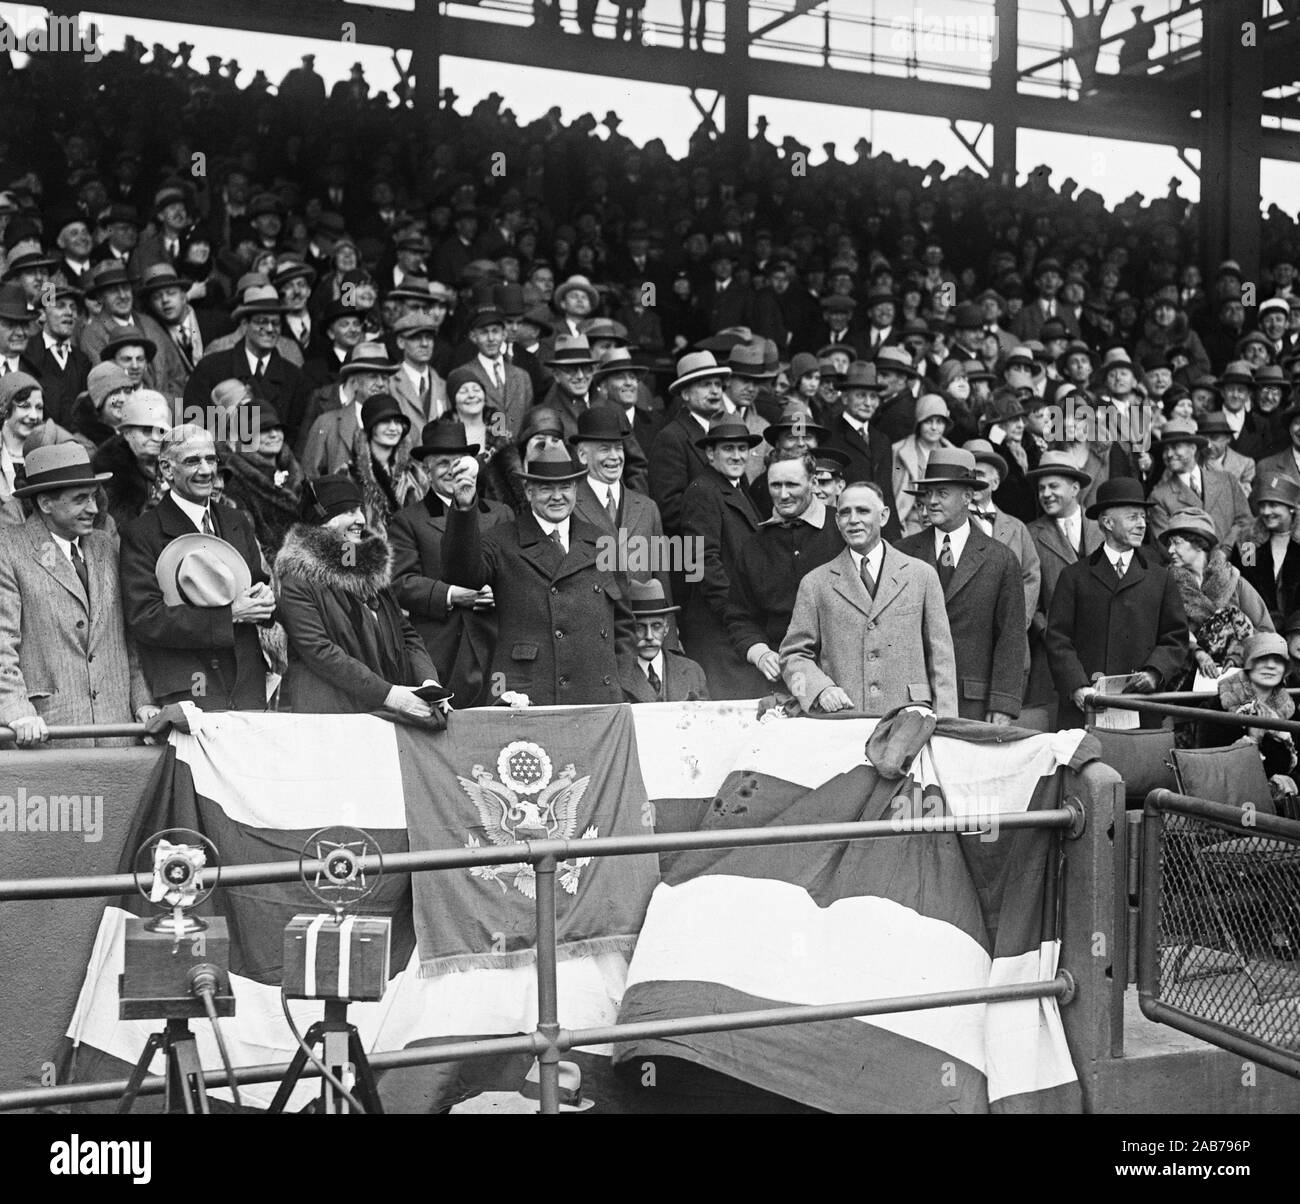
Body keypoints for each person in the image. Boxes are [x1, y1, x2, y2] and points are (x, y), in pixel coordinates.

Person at [442, 444, 637, 705]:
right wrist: (464, 508)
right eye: (546, 488)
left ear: (576, 490)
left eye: (565, 487)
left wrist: (620, 682)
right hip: (530, 696)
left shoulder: (602, 541)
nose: (557, 496)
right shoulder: (502, 541)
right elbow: (461, 573)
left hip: (598, 695)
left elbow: (623, 623)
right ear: (529, 491)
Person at [0, 443, 157, 748]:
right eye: (80, 499)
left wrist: (142, 702)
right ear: (45, 502)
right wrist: (17, 710)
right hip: (46, 735)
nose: (94, 509)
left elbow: (129, 637)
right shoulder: (8, 549)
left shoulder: (105, 545)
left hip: (118, 732)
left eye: (94, 496)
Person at [119, 424, 276, 711]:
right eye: (193, 461)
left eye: (211, 459)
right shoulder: (141, 533)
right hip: (191, 687)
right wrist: (229, 616)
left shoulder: (235, 520)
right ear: (167, 469)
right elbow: (146, 619)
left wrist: (265, 601)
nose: (206, 471)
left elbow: (256, 586)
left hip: (246, 685)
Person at [780, 481, 957, 716]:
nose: (853, 520)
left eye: (863, 511)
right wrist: (819, 690)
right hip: (844, 718)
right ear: (837, 521)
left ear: (883, 516)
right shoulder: (816, 583)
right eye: (845, 513)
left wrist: (946, 724)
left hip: (909, 717)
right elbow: (793, 655)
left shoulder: (921, 575)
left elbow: (941, 659)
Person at [274, 475, 444, 720]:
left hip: (384, 710)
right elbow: (320, 652)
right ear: (323, 521)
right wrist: (391, 695)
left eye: (361, 510)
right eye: (349, 512)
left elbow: (405, 633)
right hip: (332, 717)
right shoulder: (298, 580)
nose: (361, 520)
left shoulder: (368, 570)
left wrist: (429, 684)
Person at [1045, 477, 1190, 728]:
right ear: (1108, 522)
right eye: (1133, 517)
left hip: (1141, 707)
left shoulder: (1160, 578)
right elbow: (1058, 639)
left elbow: (1175, 637)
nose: (1142, 524)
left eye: (1143, 517)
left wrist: (1155, 672)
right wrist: (1078, 686)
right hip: (1086, 709)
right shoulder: (1073, 577)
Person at [897, 448, 1027, 723]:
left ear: (967, 496)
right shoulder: (902, 554)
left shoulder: (1000, 559)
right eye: (928, 493)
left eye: (942, 493)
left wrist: (1003, 702)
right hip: (912, 698)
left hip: (973, 701)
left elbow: (1011, 638)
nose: (931, 501)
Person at [390, 422, 512, 707]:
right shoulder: (409, 520)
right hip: (442, 644)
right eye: (442, 463)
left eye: (457, 463)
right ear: (427, 470)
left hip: (495, 639)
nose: (451, 471)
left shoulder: (500, 513)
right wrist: (454, 594)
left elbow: (515, 570)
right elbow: (401, 582)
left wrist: (501, 592)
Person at [725, 450, 843, 692]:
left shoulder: (843, 529)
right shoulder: (754, 546)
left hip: (843, 673)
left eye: (792, 484)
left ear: (813, 483)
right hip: (781, 678)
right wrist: (759, 653)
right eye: (775, 485)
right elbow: (739, 616)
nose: (783, 494)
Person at [1025, 451, 1103, 728]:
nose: (1046, 494)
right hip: (1052, 656)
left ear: (1075, 488)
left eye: (1053, 486)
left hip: (1103, 651)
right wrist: (1050, 633)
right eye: (1041, 488)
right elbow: (1029, 600)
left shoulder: (1103, 528)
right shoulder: (1030, 534)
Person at [1156, 507, 1273, 685]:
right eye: (1169, 544)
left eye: (1177, 542)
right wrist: (1197, 651)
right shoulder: (1166, 586)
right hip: (1185, 683)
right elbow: (1163, 632)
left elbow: (1266, 632)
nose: (1170, 550)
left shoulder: (1234, 581)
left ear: (1199, 543)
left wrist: (1237, 655)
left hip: (1237, 680)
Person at [569, 402, 668, 599]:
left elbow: (662, 583)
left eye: (619, 448)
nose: (614, 457)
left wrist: (668, 629)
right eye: (604, 449)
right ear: (582, 455)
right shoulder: (568, 505)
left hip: (639, 625)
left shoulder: (648, 508)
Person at [648, 350, 731, 536]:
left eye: (718, 384)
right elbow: (669, 509)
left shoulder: (724, 432)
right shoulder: (671, 438)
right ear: (685, 394)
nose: (715, 390)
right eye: (706, 384)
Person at [823, 360, 902, 539]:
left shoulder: (882, 440)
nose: (868, 403)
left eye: (873, 397)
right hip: (846, 532)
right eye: (861, 396)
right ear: (844, 398)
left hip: (879, 532)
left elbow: (886, 493)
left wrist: (894, 537)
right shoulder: (830, 437)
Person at [1148, 416, 1251, 550]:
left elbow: (1246, 522)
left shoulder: (1227, 480)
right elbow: (1165, 546)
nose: (1169, 454)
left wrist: (1225, 550)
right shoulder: (1159, 497)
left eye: (1175, 447)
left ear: (1193, 448)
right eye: (1165, 449)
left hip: (1232, 564)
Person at [218, 401, 305, 558]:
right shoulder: (235, 480)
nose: (274, 435)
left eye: (277, 428)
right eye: (264, 430)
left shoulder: (295, 470)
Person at [441, 363, 520, 508]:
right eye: (463, 391)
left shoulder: (500, 433)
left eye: (476, 390)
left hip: (501, 510)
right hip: (459, 507)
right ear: (453, 399)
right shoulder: (444, 434)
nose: (472, 395)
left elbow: (516, 478)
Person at [91, 390, 173, 529]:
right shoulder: (111, 470)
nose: (156, 438)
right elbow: (122, 530)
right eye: (147, 431)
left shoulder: (170, 460)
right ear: (127, 433)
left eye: (160, 431)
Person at [350, 392, 427, 535]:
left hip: (410, 552)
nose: (393, 428)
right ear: (371, 426)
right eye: (385, 421)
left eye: (398, 422)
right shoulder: (349, 474)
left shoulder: (415, 475)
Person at [1230, 474, 1300, 628]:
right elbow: (1244, 581)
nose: (1266, 511)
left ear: (1291, 507)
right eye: (1262, 505)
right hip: (1261, 626)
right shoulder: (1248, 541)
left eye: (1273, 505)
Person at [622, 580, 709, 703]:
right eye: (639, 627)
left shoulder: (693, 671)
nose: (649, 636)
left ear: (667, 627)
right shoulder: (618, 676)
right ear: (628, 629)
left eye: (656, 626)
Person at [892, 393, 954, 537]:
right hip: (910, 521)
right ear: (919, 423)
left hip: (944, 523)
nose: (934, 427)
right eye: (928, 421)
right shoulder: (898, 451)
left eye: (939, 422)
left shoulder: (952, 454)